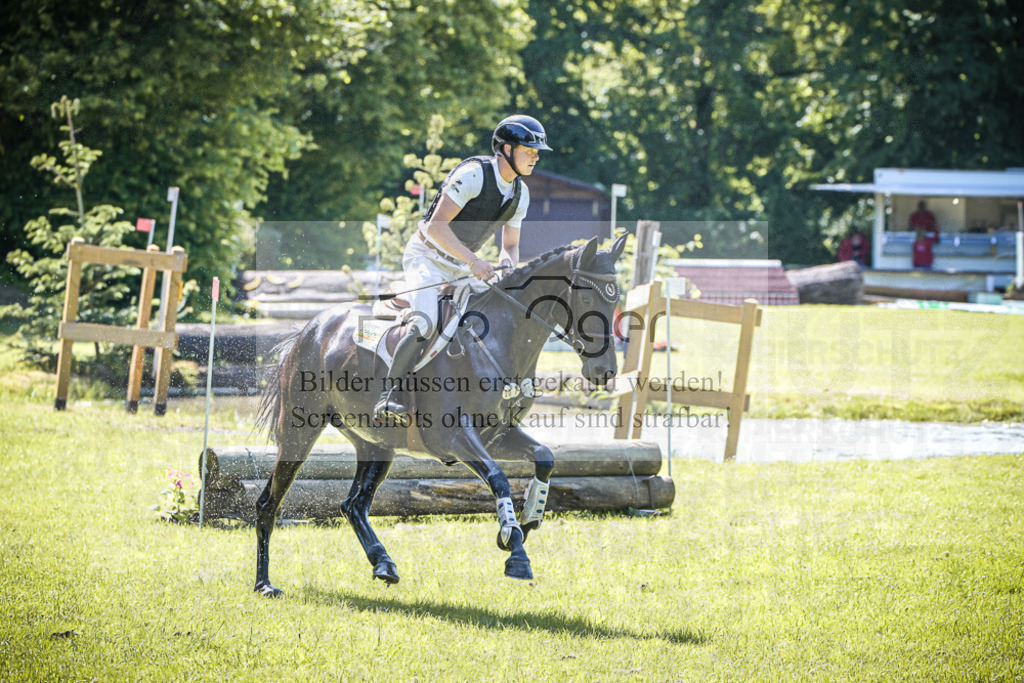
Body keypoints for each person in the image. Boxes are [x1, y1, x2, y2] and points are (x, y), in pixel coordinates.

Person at [373, 115, 552, 422]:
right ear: (506, 149)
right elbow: (436, 228)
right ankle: (388, 395)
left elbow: (509, 246)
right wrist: (473, 261)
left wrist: (508, 264)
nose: (536, 156)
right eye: (529, 149)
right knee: (427, 322)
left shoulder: (520, 193)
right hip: (426, 257)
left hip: (462, 266)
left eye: (537, 151)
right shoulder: (473, 175)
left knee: (504, 310)